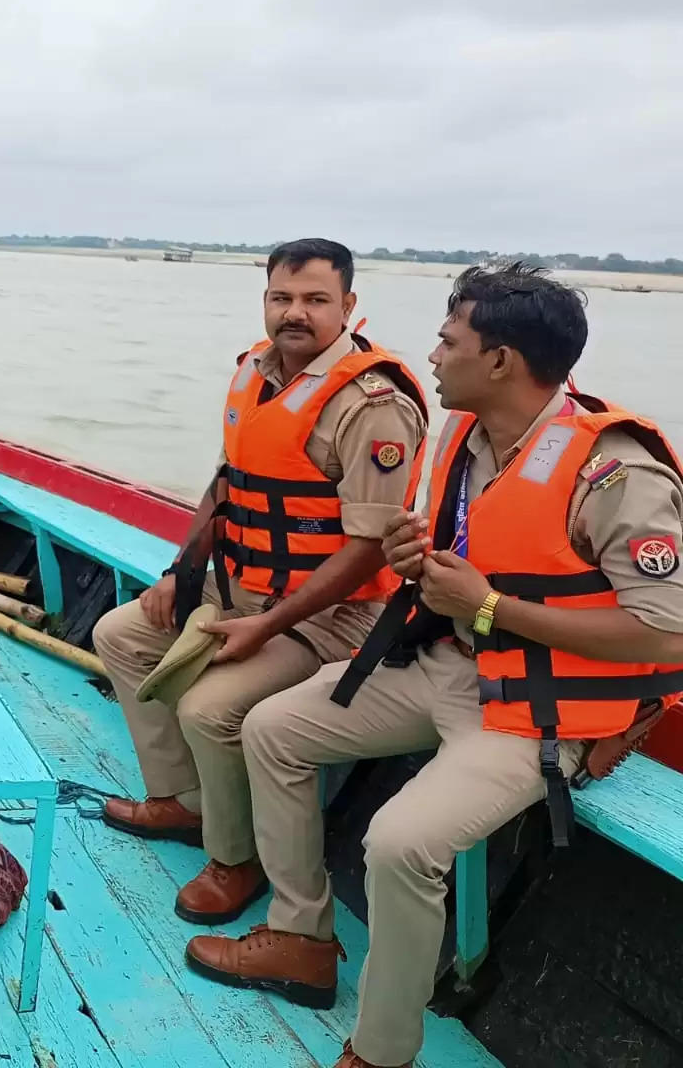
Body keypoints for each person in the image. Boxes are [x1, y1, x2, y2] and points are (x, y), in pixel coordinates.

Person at [186, 263, 683, 1068]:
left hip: (538, 709)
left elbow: (671, 635)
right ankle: (300, 937)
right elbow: (483, 560)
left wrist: (490, 607)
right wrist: (420, 557)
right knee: (271, 727)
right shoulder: (464, 435)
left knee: (398, 842)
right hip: (447, 664)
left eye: (450, 341)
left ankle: (381, 1050)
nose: (434, 353)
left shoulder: (614, 473)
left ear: (501, 362)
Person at [90, 238, 428, 925]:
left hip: (331, 614)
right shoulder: (254, 370)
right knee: (120, 634)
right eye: (282, 298)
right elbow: (229, 483)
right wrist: (180, 575)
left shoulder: (373, 405)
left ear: (349, 307)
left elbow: (368, 553)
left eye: (314, 300)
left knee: (209, 710)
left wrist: (267, 626)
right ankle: (182, 800)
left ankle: (234, 860)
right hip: (241, 584)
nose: (294, 313)